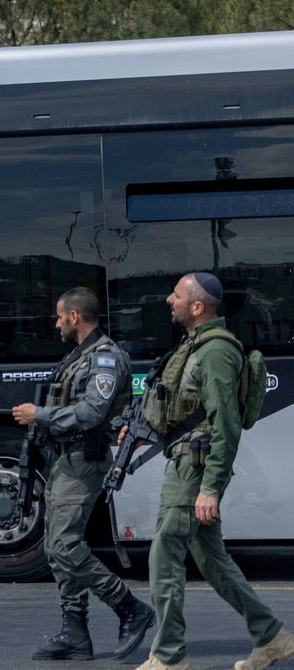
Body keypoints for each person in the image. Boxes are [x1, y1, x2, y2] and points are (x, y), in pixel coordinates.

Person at [125, 273, 294, 670]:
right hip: (186, 461)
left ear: (197, 307)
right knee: (213, 561)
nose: (169, 300)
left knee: (164, 554)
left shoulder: (216, 351)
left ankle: (169, 655)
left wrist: (211, 489)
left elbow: (226, 424)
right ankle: (272, 637)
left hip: (195, 470)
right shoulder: (195, 345)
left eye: (177, 296)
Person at [11, 287, 154, 661]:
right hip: (64, 462)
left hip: (84, 463)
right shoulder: (80, 357)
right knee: (55, 549)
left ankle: (130, 608)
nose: (56, 324)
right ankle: (74, 633)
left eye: (59, 317)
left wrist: (38, 415)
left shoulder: (105, 359)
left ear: (75, 317)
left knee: (64, 546)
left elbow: (91, 413)